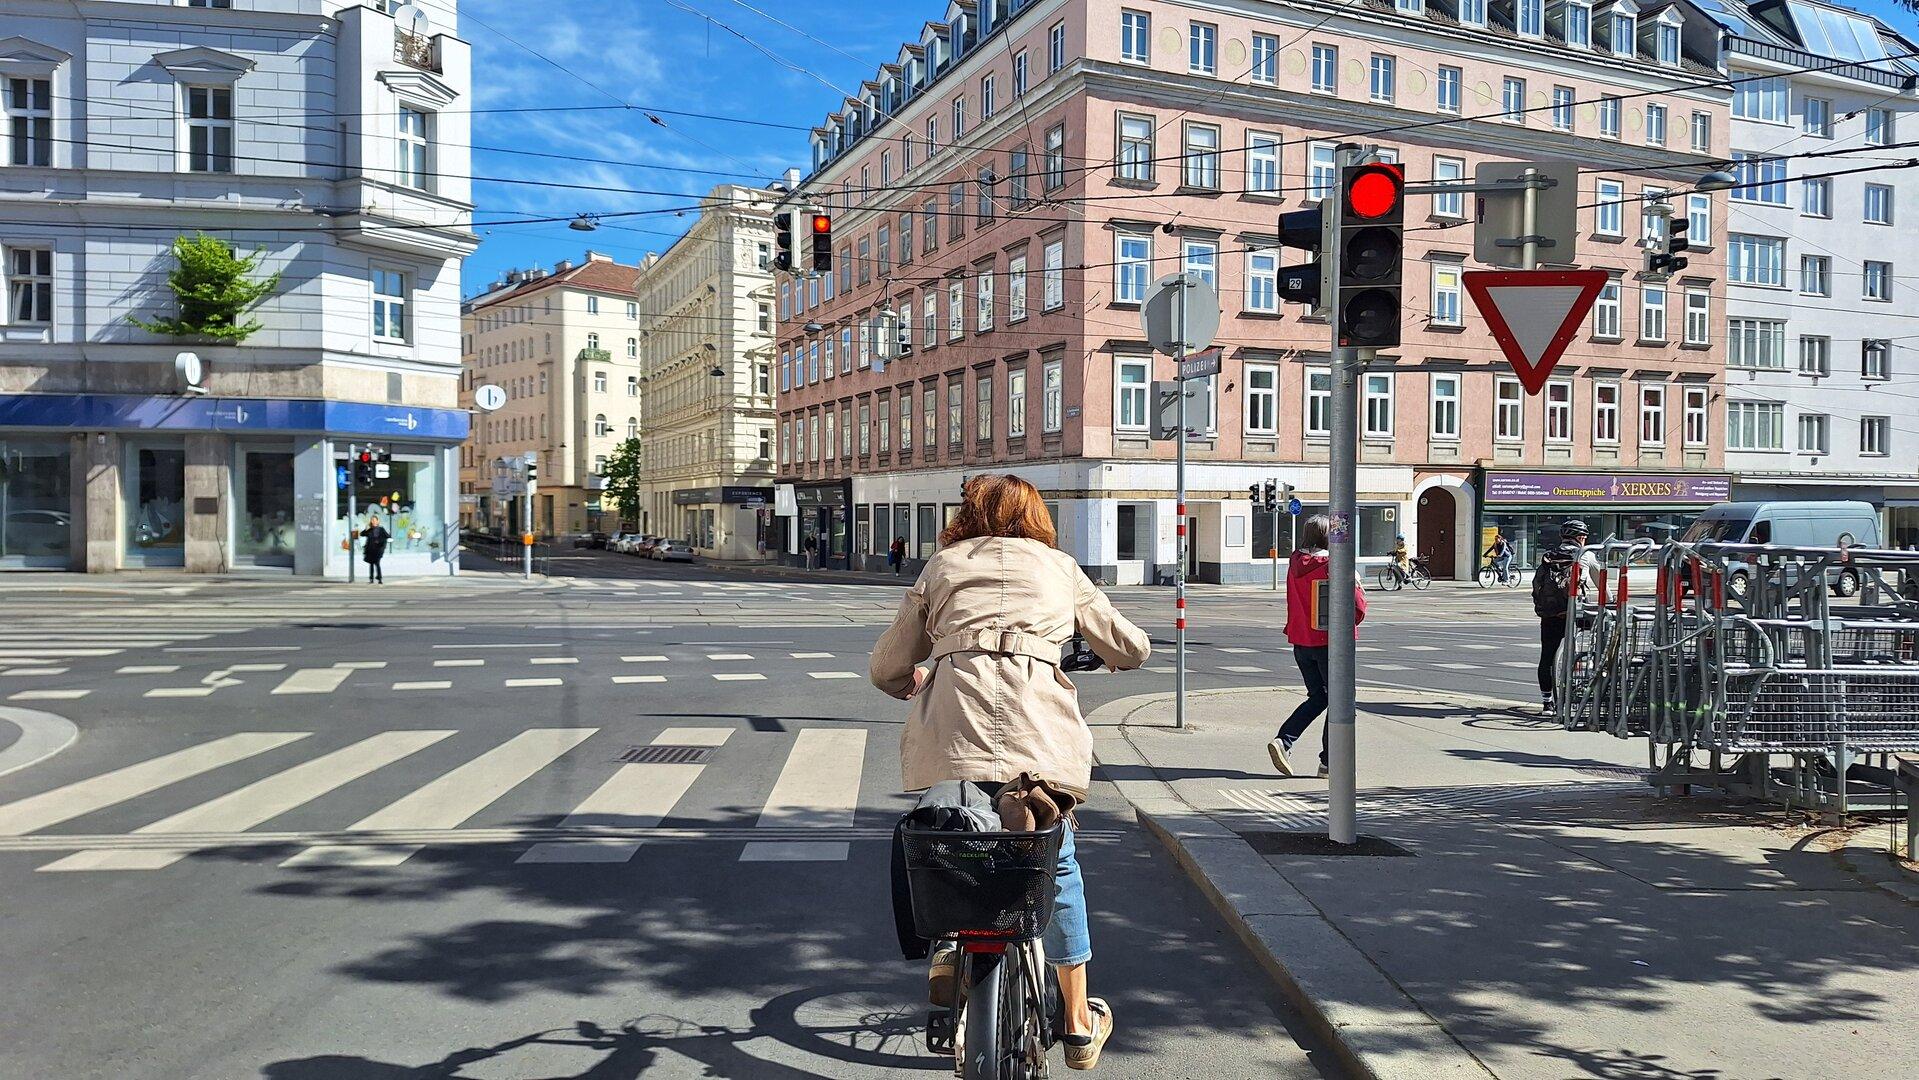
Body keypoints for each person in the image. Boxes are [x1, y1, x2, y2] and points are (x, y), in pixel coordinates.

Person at [870, 474, 1150, 1071]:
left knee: (952, 837)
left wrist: (912, 681)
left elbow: (887, 665)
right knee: (1055, 860)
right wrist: (1100, 654)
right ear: (1038, 517)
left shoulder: (942, 567)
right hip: (1039, 743)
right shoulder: (1060, 568)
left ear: (966, 515)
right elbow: (1132, 648)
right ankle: (1076, 1021)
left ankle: (949, 952)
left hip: (953, 737)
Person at [1270, 515, 1368, 778]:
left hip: (1301, 642)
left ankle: (1284, 741)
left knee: (1321, 697)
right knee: (1341, 701)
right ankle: (1329, 762)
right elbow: (1358, 609)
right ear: (1329, 538)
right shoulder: (1335, 565)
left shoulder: (1294, 562)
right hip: (1331, 644)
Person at [1534, 519, 1601, 712]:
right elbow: (1600, 583)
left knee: (1547, 655)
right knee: (1599, 634)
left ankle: (1547, 702)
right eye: (1585, 537)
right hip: (1576, 612)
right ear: (1580, 537)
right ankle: (1586, 673)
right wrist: (1610, 601)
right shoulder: (1586, 555)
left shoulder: (1549, 557)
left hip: (1551, 612)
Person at [361, 515, 390, 584]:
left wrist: (380, 541)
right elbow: (362, 534)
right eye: (372, 520)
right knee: (371, 564)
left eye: (374, 520)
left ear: (377, 521)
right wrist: (366, 528)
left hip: (378, 550)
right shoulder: (369, 529)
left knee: (377, 563)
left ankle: (379, 578)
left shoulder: (381, 529)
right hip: (370, 549)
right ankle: (371, 579)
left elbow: (387, 536)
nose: (373, 521)